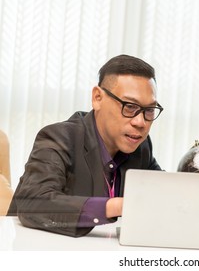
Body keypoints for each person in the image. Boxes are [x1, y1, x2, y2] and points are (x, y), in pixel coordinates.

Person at [8, 54, 163, 237]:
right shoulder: (59, 137)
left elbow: (162, 193)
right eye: (129, 107)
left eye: (149, 110)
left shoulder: (141, 146)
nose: (140, 122)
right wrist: (116, 206)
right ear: (97, 98)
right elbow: (33, 202)